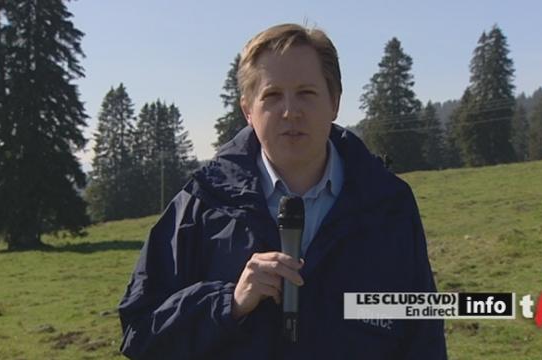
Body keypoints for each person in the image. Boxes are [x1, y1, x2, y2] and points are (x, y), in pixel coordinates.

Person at [118, 23, 447, 359]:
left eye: (306, 92)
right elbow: (141, 335)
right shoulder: (202, 205)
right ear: (248, 110)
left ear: (334, 102)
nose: (291, 111)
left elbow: (421, 335)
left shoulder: (387, 205)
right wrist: (228, 303)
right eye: (272, 96)